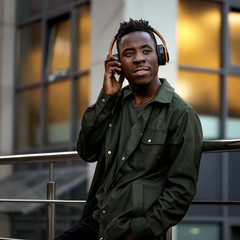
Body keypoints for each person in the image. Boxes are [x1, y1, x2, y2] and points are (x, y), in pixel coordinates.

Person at [55, 19, 203, 240]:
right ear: (117, 63)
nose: (139, 58)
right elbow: (87, 151)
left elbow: (181, 189)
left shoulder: (181, 114)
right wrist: (107, 97)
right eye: (128, 53)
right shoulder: (114, 104)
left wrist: (137, 231)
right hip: (96, 222)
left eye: (146, 51)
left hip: (132, 231)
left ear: (160, 56)